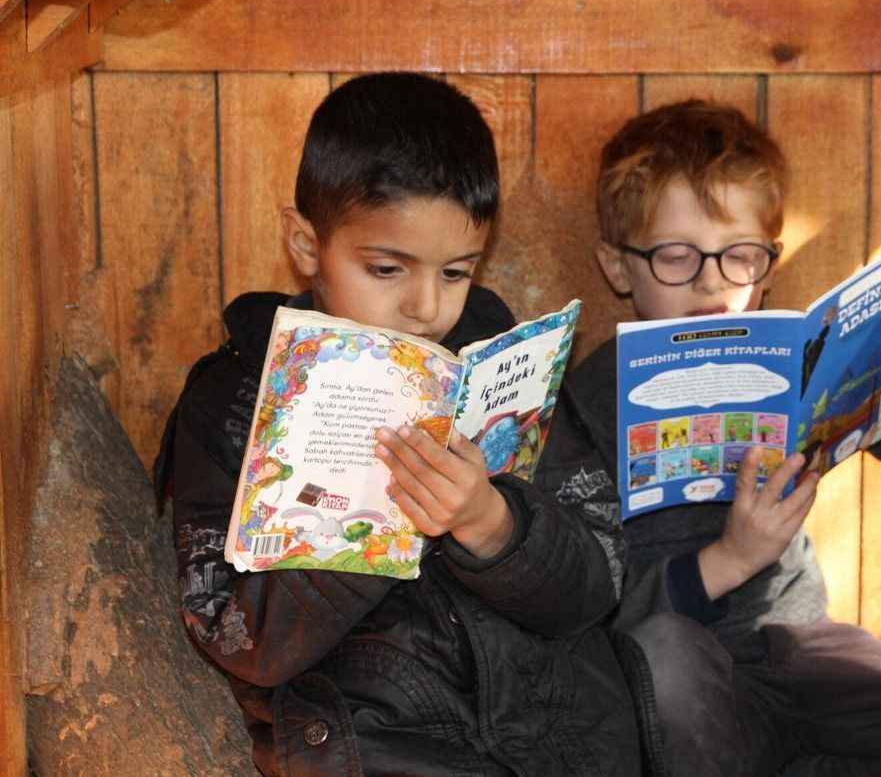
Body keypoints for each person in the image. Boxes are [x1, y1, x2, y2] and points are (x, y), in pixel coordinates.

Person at [533, 99, 881, 776]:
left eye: (740, 256)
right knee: (659, 661)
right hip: (691, 678)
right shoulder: (586, 403)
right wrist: (732, 557)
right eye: (677, 256)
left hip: (805, 652)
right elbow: (588, 607)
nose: (712, 280)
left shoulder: (798, 364)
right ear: (617, 265)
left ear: (769, 263)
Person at [153, 73, 641, 775]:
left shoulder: (505, 367)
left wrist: (493, 525)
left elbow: (599, 581)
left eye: (456, 272)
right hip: (373, 740)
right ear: (305, 243)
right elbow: (238, 637)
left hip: (557, 730)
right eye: (386, 269)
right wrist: (369, 526)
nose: (425, 307)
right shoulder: (232, 398)